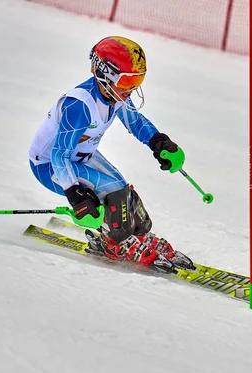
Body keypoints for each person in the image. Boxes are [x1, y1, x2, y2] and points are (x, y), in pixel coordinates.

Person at [28, 36, 186, 268]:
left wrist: (157, 141)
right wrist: (75, 194)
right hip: (50, 166)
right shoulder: (80, 105)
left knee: (125, 193)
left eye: (137, 81)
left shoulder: (115, 94)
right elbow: (59, 155)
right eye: (126, 82)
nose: (131, 90)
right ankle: (114, 243)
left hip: (82, 157)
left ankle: (139, 235)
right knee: (114, 195)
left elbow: (136, 122)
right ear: (105, 75)